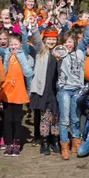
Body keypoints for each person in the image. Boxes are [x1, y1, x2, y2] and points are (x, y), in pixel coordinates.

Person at [55, 10, 89, 159]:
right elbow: (57, 52)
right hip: (64, 89)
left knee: (75, 118)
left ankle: (76, 143)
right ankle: (64, 145)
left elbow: (87, 37)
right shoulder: (60, 52)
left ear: (75, 42)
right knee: (65, 119)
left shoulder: (81, 51)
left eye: (71, 42)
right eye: (66, 42)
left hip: (77, 90)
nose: (68, 44)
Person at [0, 29, 35, 157]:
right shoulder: (6, 53)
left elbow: (26, 42)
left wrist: (23, 27)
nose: (13, 47)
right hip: (7, 88)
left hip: (19, 89)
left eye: (16, 44)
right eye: (11, 44)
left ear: (20, 44)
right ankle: (8, 144)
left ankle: (16, 143)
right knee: (7, 119)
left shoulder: (23, 52)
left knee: (17, 119)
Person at [29, 25, 61, 156]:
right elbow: (36, 39)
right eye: (49, 39)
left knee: (55, 117)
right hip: (43, 90)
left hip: (55, 90)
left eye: (54, 39)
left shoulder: (60, 52)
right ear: (45, 40)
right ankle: (45, 142)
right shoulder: (41, 50)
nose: (52, 42)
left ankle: (55, 141)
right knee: (44, 117)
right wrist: (35, 28)